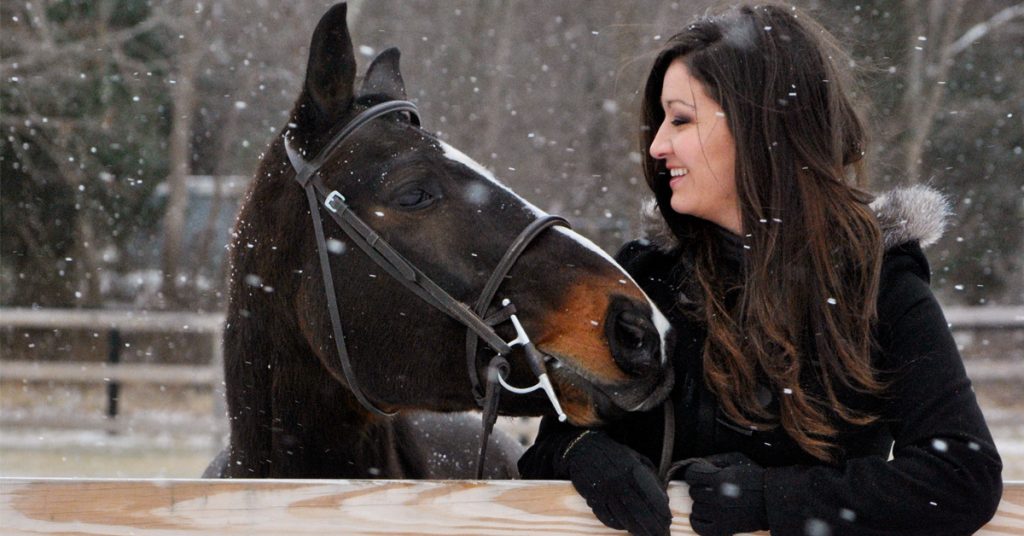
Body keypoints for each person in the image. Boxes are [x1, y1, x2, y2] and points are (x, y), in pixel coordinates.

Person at [517, 4, 1003, 536]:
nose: (657, 146)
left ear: (759, 128)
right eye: (660, 122)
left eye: (680, 119)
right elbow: (548, 444)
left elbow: (961, 475)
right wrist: (585, 454)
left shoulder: (879, 286)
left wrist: (776, 500)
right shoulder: (645, 278)